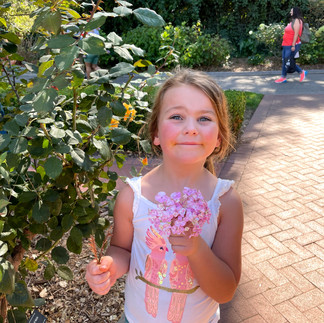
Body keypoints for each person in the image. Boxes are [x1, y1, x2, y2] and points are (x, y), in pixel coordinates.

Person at [85, 69, 244, 323]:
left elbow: (225, 291)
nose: (191, 128)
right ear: (156, 133)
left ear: (219, 137)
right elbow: (121, 250)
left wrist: (195, 248)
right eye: (177, 116)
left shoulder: (225, 202)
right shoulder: (133, 197)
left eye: (204, 118)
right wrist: (109, 267)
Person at [275, 7, 307, 83]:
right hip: (286, 44)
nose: (290, 12)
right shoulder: (293, 21)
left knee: (288, 62)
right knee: (285, 61)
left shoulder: (297, 21)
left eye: (291, 11)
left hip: (291, 45)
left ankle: (301, 72)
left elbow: (296, 34)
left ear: (295, 12)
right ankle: (283, 77)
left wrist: (293, 45)